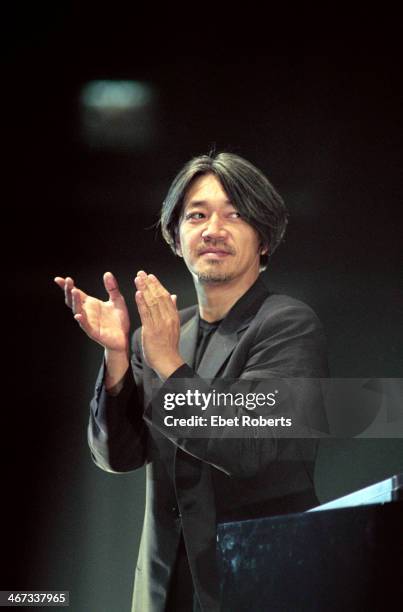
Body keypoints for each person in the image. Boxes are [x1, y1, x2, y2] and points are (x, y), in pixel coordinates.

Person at [55, 152, 329, 612]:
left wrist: (169, 365)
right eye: (197, 215)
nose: (213, 229)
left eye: (235, 214)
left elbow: (249, 449)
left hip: (261, 583)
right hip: (165, 590)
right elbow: (118, 456)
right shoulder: (162, 335)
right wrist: (119, 353)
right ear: (177, 239)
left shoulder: (288, 324)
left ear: (264, 239)